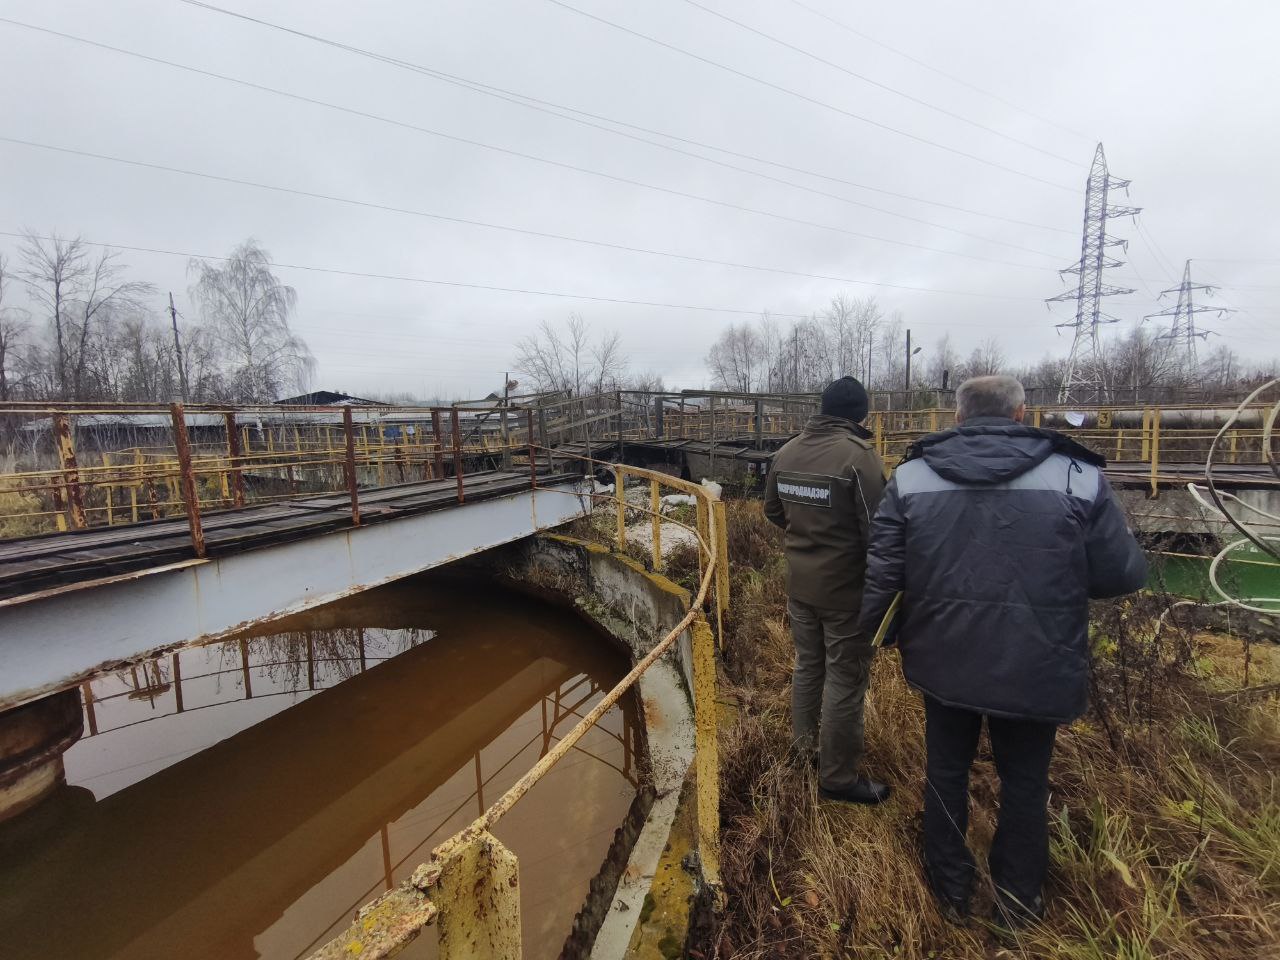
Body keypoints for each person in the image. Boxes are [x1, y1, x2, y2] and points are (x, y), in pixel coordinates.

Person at [859, 375, 1147, 926]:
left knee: (945, 771)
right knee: (1025, 782)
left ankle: (951, 891)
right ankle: (1018, 903)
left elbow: (884, 572)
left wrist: (876, 637)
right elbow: (1122, 573)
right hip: (1037, 661)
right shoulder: (1076, 473)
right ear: (1021, 415)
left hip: (943, 659)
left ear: (958, 418)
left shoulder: (912, 475)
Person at [764, 376, 889, 805]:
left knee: (808, 667)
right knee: (844, 679)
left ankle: (804, 754)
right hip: (845, 595)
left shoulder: (787, 452)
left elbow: (773, 510)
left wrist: (809, 539)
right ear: (860, 415)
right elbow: (879, 533)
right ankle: (837, 778)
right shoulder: (860, 458)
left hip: (800, 587)